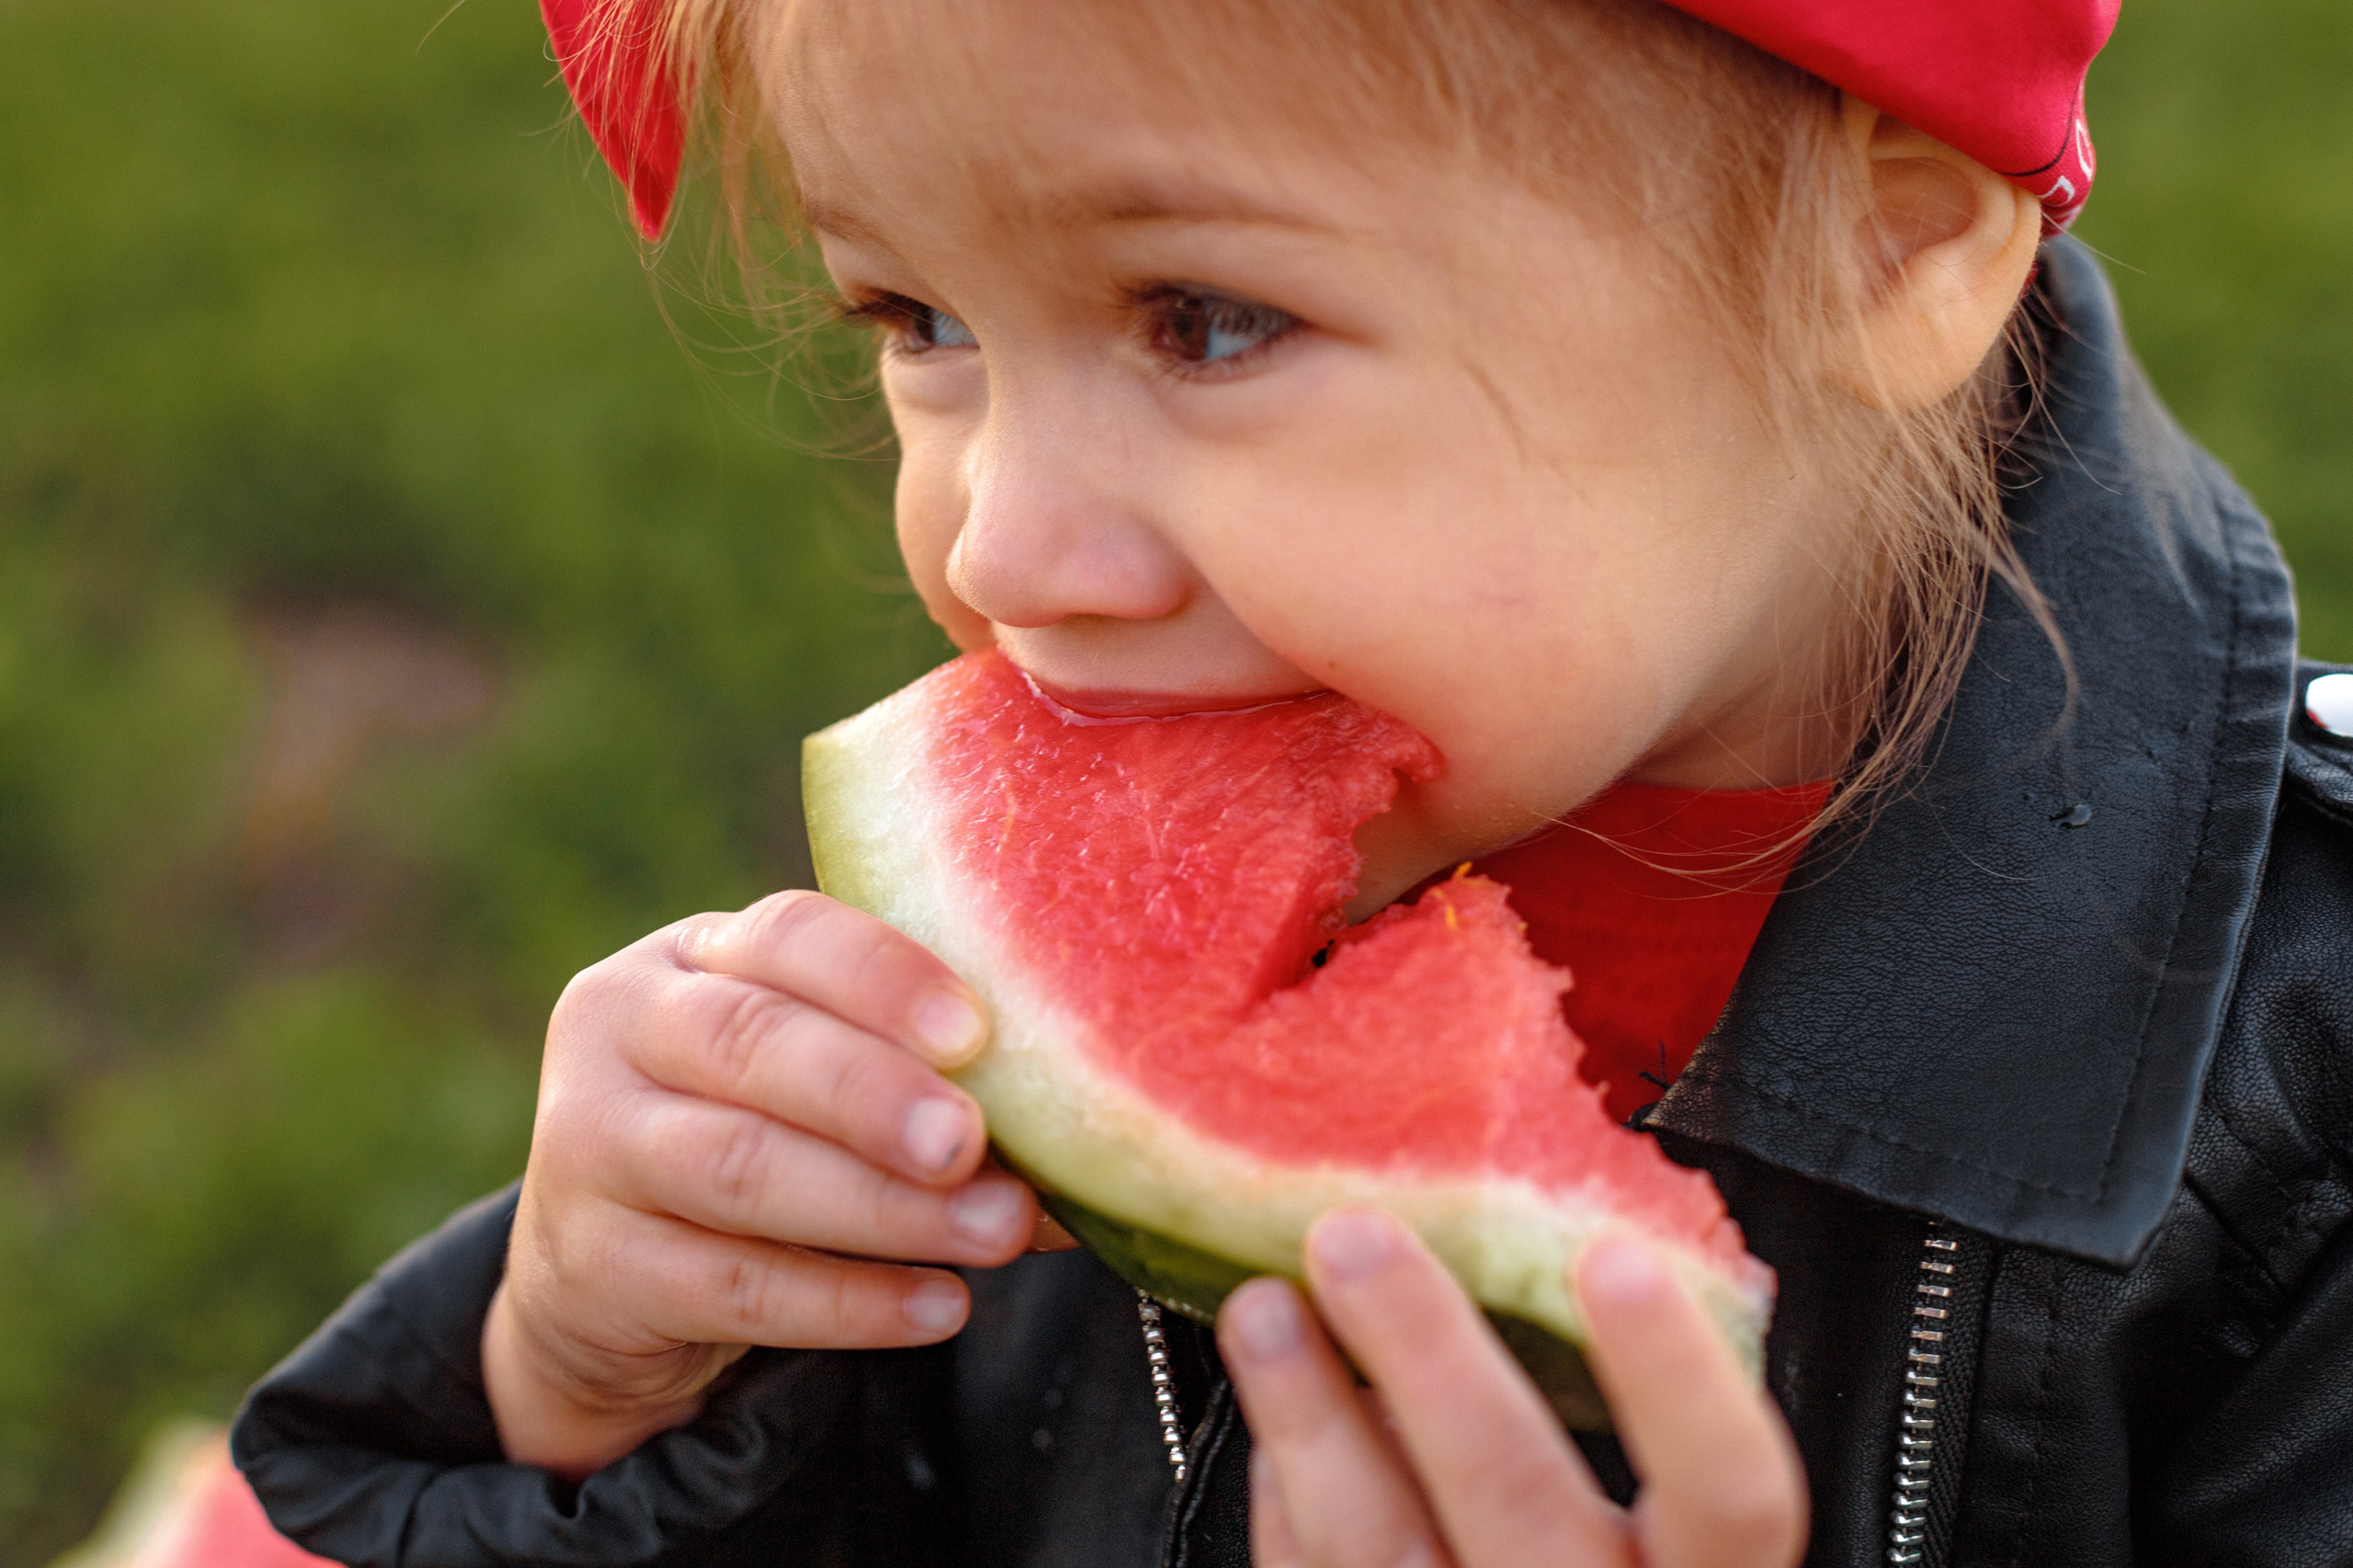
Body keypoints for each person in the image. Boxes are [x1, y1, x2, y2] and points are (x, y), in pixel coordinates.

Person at [231, 1, 2353, 1563]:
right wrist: (596, 1403)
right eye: (919, 314)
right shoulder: (1009, 969)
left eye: (1206, 322)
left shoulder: (2306, 1131)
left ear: (1881, 258)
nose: (995, 553)